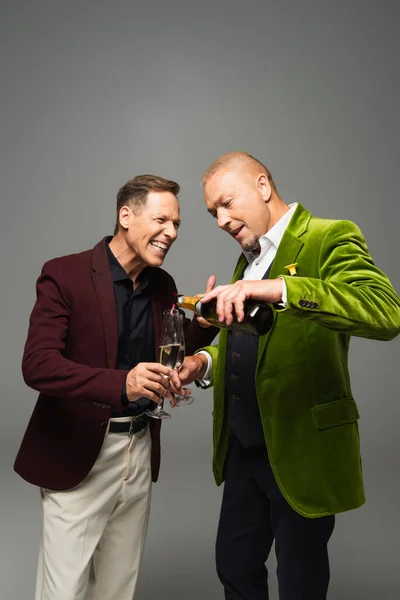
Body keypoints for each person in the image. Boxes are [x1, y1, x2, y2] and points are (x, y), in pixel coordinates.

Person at [179, 152, 400, 600]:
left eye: (226, 203)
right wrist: (204, 363)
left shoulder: (328, 236)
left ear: (263, 186)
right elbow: (252, 348)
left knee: (299, 582)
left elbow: (385, 312)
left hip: (302, 449)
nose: (221, 220)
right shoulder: (249, 258)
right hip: (244, 450)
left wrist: (281, 288)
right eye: (211, 213)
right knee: (234, 567)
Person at [14, 174, 217, 600]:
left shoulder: (163, 285)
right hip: (78, 453)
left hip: (139, 448)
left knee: (116, 588)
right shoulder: (64, 274)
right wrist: (121, 383)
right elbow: (38, 364)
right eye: (162, 220)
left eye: (177, 224)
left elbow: (172, 351)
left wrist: (204, 322)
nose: (172, 233)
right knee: (65, 590)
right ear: (125, 215)